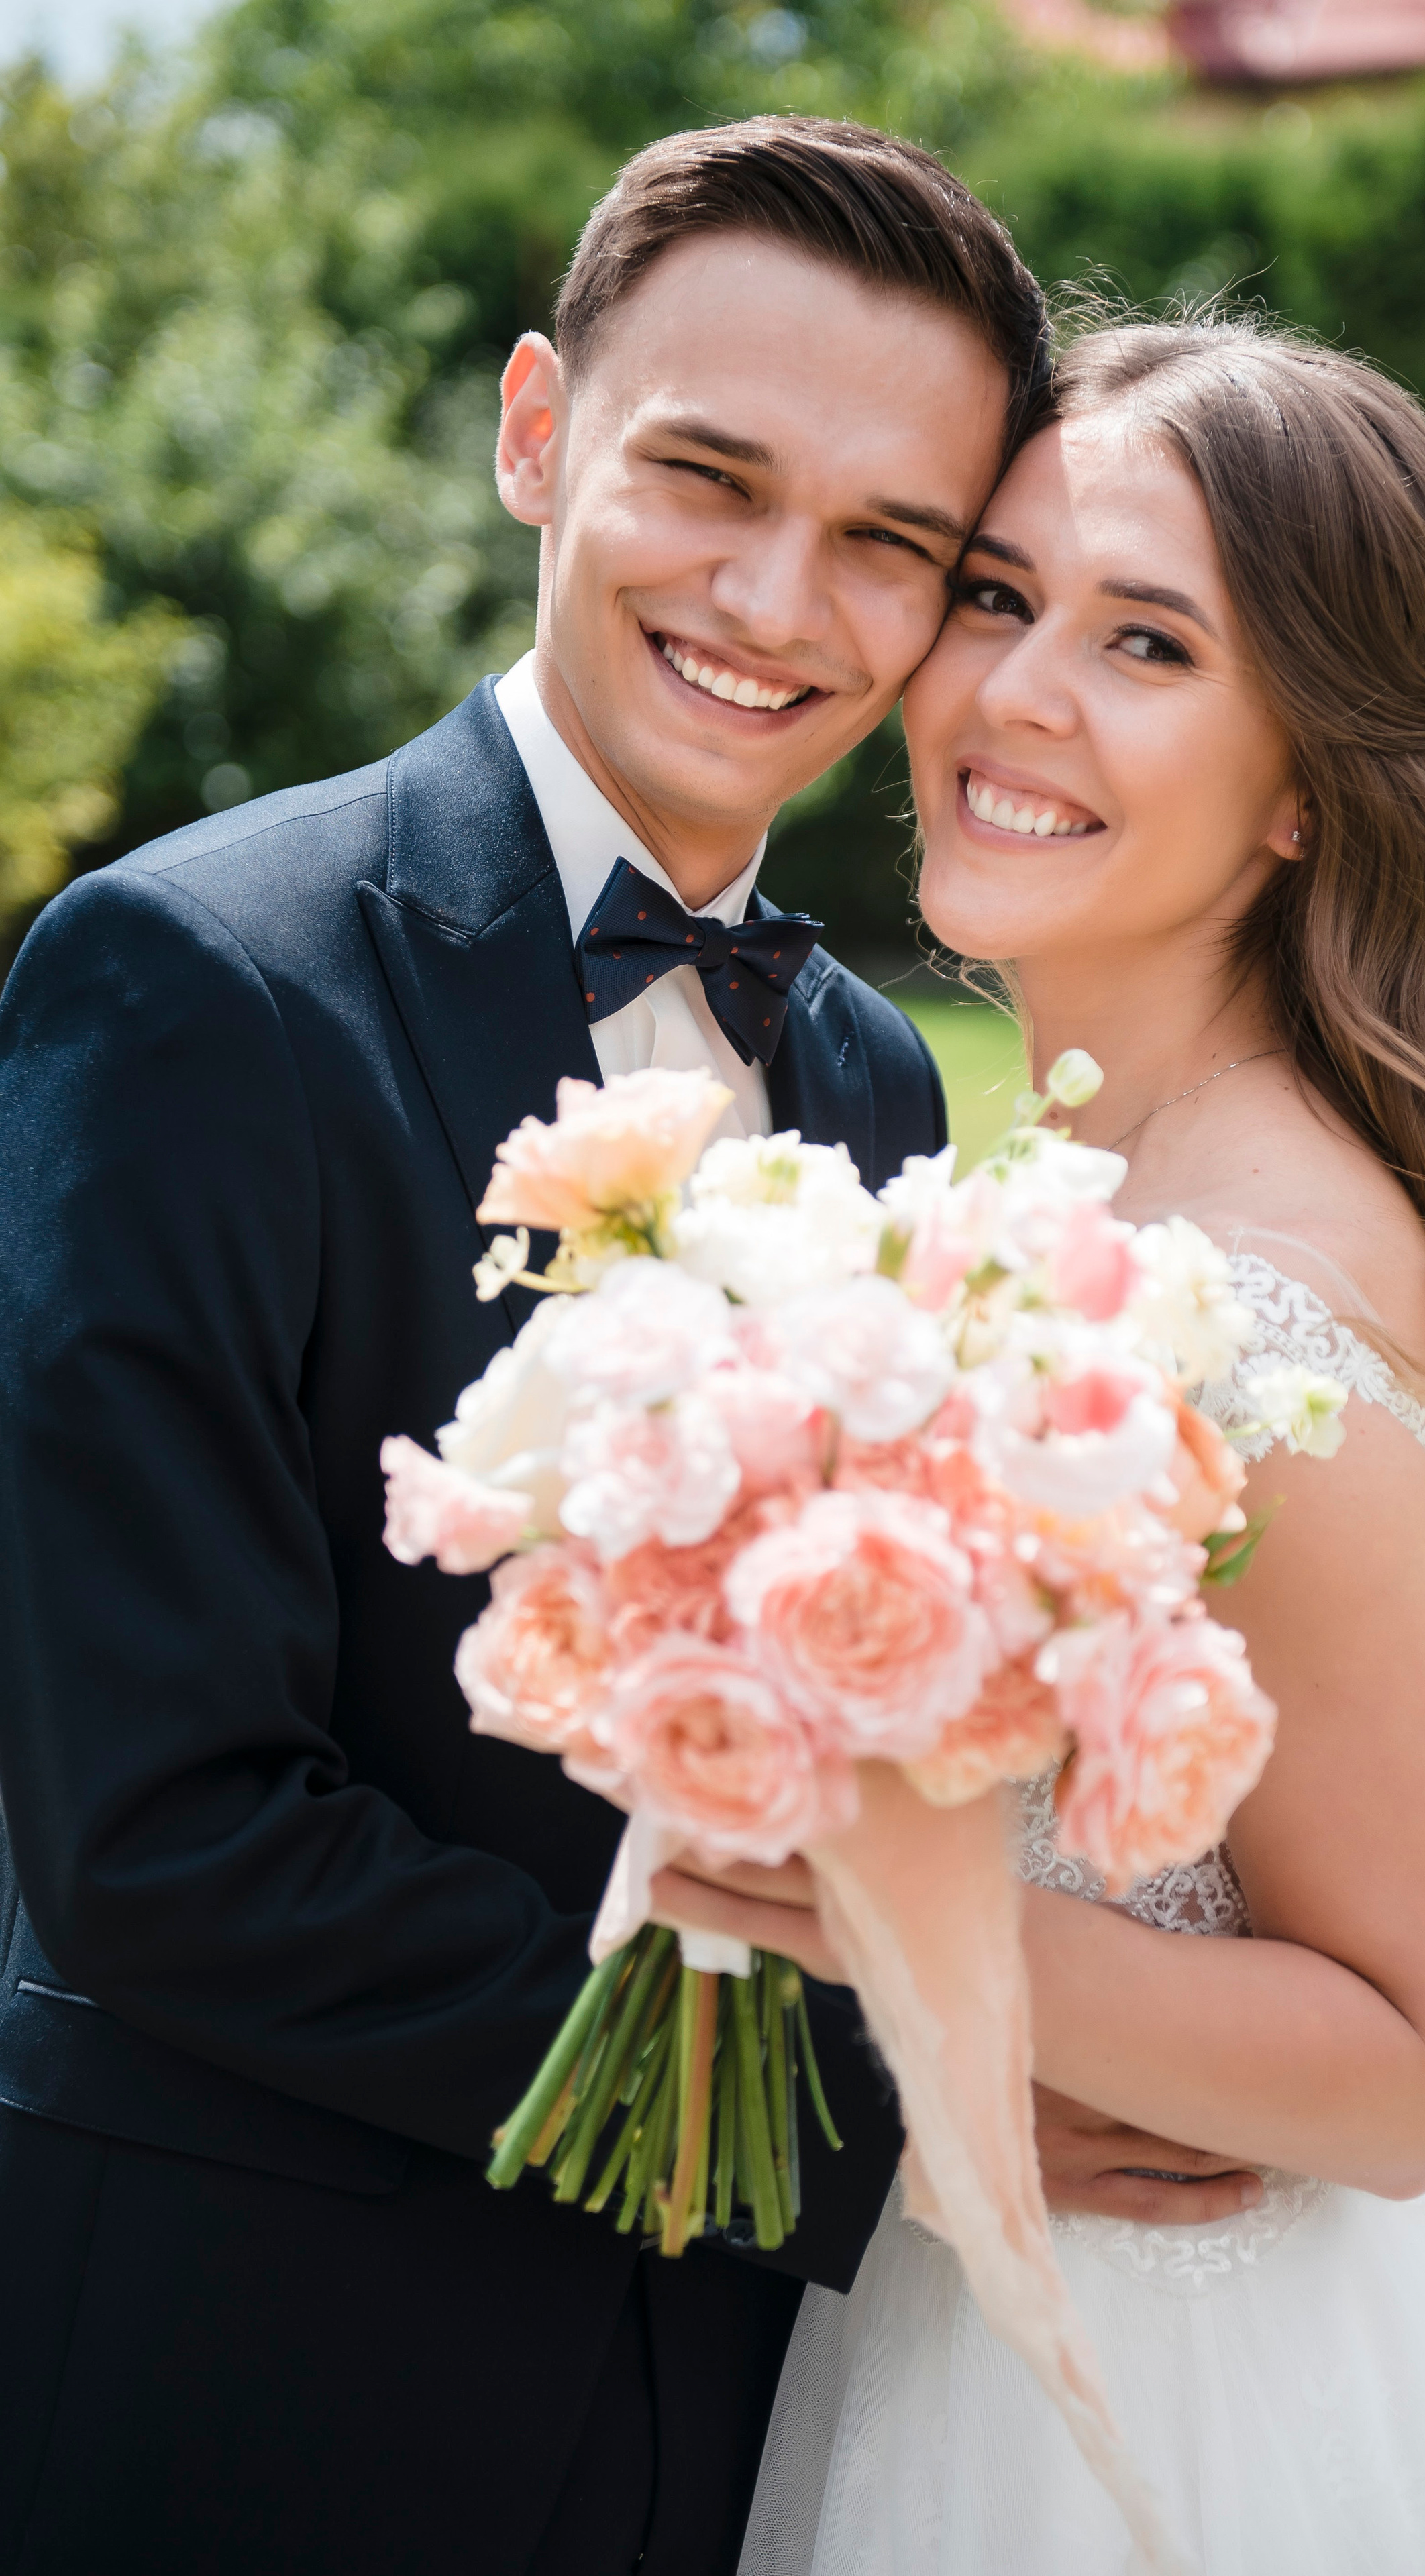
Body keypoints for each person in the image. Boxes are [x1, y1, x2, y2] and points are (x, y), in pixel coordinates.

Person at [0, 117, 1052, 2576]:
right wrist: (853, 2118)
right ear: (533, 430)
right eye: (710, 476)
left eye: (892, 540)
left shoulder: (878, 1081)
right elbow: (156, 1839)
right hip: (254, 2376)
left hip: (733, 2427)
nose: (783, 598)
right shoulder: (195, 982)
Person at [649, 316, 1425, 2573]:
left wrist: (841, 1872)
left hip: (1183, 2429)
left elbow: (1398, 2064)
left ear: (1310, 777)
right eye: (1002, 597)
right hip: (963, 2325)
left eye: (1147, 642)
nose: (1016, 694)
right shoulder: (1055, 1197)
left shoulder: (1262, 1305)